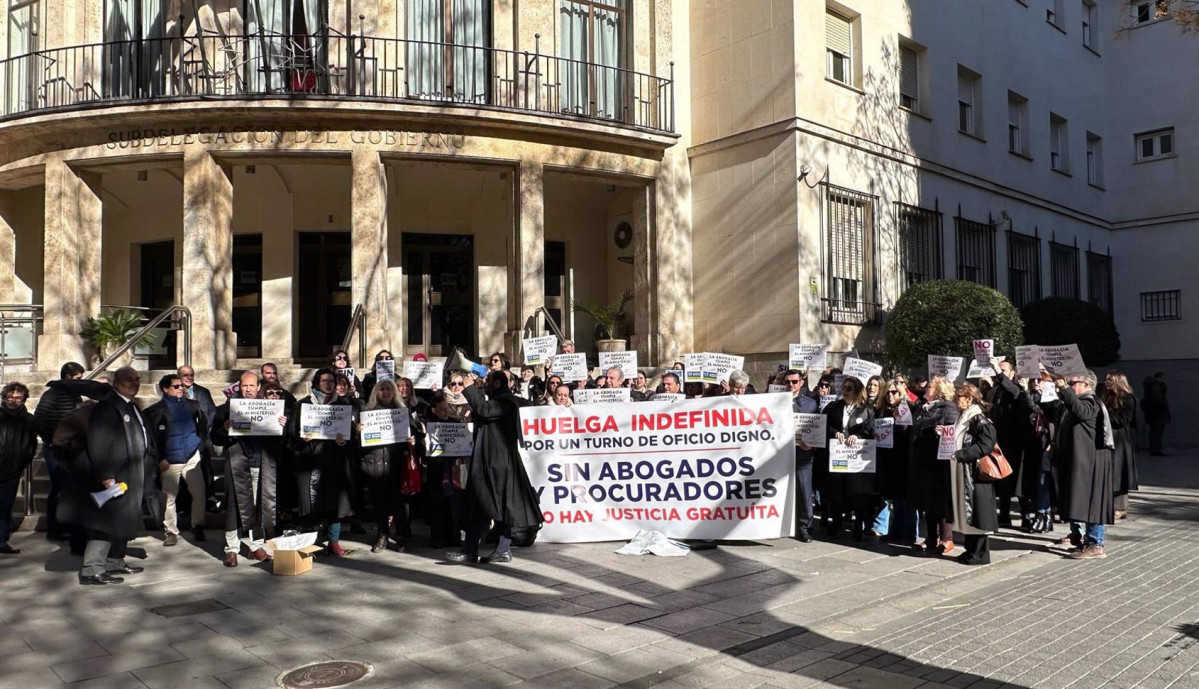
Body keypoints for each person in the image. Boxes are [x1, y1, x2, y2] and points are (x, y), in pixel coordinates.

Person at [447, 371, 541, 564]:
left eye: (488, 381)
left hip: (498, 464)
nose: (485, 383)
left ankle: (485, 550)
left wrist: (470, 388)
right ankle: (485, 550)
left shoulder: (506, 401)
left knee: (496, 506)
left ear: (497, 383)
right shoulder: (498, 400)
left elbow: (485, 410)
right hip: (492, 462)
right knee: (486, 505)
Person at [76, 367, 149, 585]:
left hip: (133, 472)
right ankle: (92, 569)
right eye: (129, 379)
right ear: (116, 382)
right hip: (114, 475)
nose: (134, 383)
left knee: (124, 519)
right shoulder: (107, 407)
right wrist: (106, 475)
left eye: (137, 379)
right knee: (107, 522)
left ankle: (114, 560)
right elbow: (98, 442)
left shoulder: (131, 405)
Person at [212, 372, 286, 567]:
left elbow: (278, 439)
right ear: (239, 387)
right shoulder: (226, 409)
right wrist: (225, 428)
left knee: (259, 505)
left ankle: (256, 546)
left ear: (258, 386)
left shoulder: (270, 408)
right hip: (236, 463)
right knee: (233, 507)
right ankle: (232, 549)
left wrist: (281, 426)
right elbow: (215, 438)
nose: (248, 389)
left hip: (260, 463)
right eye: (245, 386)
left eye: (252, 386)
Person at [285, 368, 355, 556]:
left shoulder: (342, 405)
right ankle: (307, 544)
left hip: (334, 461)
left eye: (331, 381)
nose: (329, 384)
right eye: (324, 381)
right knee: (308, 503)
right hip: (308, 461)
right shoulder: (303, 405)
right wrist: (302, 439)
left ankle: (334, 542)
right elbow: (290, 436)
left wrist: (343, 441)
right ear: (317, 383)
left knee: (335, 503)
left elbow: (352, 439)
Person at [1051, 370, 1116, 559]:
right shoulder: (1076, 403)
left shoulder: (1091, 402)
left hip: (1093, 461)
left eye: (1072, 383)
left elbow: (1082, 412)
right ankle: (1082, 539)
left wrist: (1063, 388)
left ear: (1086, 384)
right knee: (1079, 499)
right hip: (1081, 460)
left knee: (1094, 502)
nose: (1069, 386)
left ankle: (1095, 544)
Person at [144, 374, 209, 546]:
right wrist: (160, 458)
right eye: (176, 386)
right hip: (170, 460)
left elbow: (203, 428)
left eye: (182, 386)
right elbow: (151, 439)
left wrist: (199, 448)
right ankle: (171, 531)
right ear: (165, 389)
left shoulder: (193, 406)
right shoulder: (155, 411)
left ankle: (198, 526)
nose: (181, 389)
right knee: (169, 497)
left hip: (192, 456)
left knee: (199, 493)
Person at [356, 380, 413, 553]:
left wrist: (413, 440)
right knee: (379, 504)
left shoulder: (402, 412)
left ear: (394, 391)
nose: (386, 392)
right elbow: (357, 445)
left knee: (399, 504)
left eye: (389, 389)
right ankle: (382, 536)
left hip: (397, 466)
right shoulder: (367, 413)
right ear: (376, 392)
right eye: (382, 389)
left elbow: (415, 434)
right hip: (375, 466)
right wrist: (358, 432)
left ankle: (401, 536)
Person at [33, 362, 88, 541]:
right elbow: (40, 420)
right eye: (78, 378)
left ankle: (69, 526)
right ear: (68, 377)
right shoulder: (51, 395)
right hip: (55, 449)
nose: (81, 381)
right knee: (59, 488)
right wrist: (54, 440)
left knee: (70, 488)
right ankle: (55, 528)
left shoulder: (75, 396)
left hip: (73, 449)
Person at [820, 376, 876, 540]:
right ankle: (836, 521)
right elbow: (824, 424)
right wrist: (834, 433)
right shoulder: (834, 407)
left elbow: (871, 430)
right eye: (843, 387)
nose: (844, 391)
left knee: (857, 492)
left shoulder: (867, 409)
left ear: (857, 391)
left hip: (856, 459)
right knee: (836, 490)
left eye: (849, 388)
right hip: (837, 457)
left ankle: (858, 524)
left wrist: (858, 436)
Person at [950, 383, 999, 565]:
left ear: (969, 399)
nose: (955, 400)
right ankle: (970, 549)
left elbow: (986, 444)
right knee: (966, 512)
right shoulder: (963, 417)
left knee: (978, 512)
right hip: (962, 470)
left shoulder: (978, 418)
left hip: (974, 474)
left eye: (959, 397)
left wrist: (963, 454)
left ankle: (980, 554)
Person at [910, 376, 959, 556]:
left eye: (930, 387)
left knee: (941, 501)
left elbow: (953, 431)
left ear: (939, 391)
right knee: (927, 501)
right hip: (923, 459)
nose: (926, 389)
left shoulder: (949, 408)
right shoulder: (923, 407)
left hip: (939, 462)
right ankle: (931, 537)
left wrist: (941, 431)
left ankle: (947, 538)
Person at [985, 357, 1033, 528]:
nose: (998, 372)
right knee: (1002, 478)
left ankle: (1026, 515)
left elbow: (1015, 392)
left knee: (1018, 480)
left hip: (1016, 441)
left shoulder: (1017, 389)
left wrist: (997, 371)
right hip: (999, 440)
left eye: (1003, 370)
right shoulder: (996, 391)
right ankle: (1004, 514)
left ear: (1012, 373)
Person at [424, 389, 471, 549]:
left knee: (453, 505)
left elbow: (464, 444)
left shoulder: (455, 423)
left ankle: (453, 536)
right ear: (434, 410)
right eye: (442, 409)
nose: (446, 412)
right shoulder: (428, 425)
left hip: (453, 470)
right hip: (436, 470)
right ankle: (438, 537)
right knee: (437, 505)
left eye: (447, 409)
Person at [878, 378, 918, 545]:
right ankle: (895, 531)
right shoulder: (882, 410)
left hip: (905, 459)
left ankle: (909, 534)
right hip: (889, 459)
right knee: (895, 499)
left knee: (907, 499)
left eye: (894, 392)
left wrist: (900, 420)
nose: (890, 395)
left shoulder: (909, 408)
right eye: (887, 392)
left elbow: (909, 432)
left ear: (901, 393)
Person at [0, 383, 37, 554]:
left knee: (5, 508)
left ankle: (1, 541)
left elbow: (31, 445)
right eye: (10, 397)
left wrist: (21, 463)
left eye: (18, 398)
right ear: (4, 398)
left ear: (23, 400)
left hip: (12, 471)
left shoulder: (28, 420)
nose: (13, 401)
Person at [177, 365, 220, 515]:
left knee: (205, 469)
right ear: (178, 376)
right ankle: (185, 504)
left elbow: (212, 412)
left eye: (191, 375)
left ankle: (210, 500)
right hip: (182, 439)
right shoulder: (175, 391)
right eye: (185, 375)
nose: (189, 378)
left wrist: (206, 429)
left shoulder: (203, 392)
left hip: (202, 437)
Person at [786, 370, 819, 543]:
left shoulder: (810, 404)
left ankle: (805, 528)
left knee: (804, 492)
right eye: (788, 382)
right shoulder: (775, 401)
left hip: (803, 455)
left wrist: (812, 445)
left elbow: (817, 428)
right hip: (779, 456)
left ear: (801, 383)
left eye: (794, 381)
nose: (790, 385)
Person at [1103, 371, 1138, 520]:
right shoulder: (1106, 396)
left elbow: (1124, 419)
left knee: (1120, 473)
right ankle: (1109, 505)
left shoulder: (1128, 398)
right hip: (1108, 438)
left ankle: (1120, 507)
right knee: (1111, 472)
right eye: (1106, 379)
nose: (1106, 382)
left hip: (1120, 440)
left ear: (1118, 381)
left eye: (1109, 379)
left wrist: (1105, 412)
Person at [1141, 372, 1169, 456]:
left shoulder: (1152, 386)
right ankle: (1155, 450)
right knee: (1157, 432)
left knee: (1154, 432)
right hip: (1157, 413)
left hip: (1154, 413)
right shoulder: (1155, 386)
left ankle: (1154, 449)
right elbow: (1158, 399)